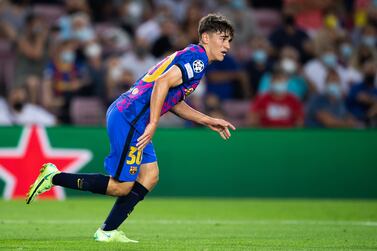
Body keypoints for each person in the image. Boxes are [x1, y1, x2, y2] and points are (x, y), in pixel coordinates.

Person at [26, 13, 236, 243]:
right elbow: (162, 82)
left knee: (150, 175)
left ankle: (107, 231)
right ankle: (54, 177)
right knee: (122, 187)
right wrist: (154, 122)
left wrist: (208, 120)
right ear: (206, 37)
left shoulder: (193, 58)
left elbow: (172, 99)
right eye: (223, 38)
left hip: (131, 117)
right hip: (130, 118)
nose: (227, 45)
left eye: (229, 41)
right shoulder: (197, 60)